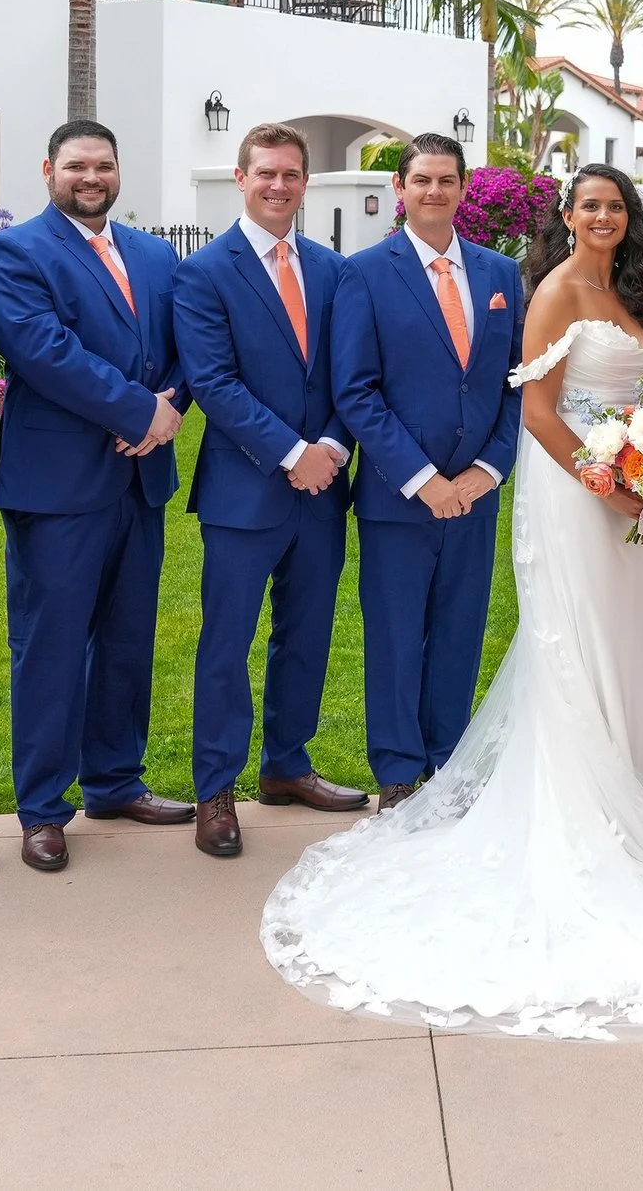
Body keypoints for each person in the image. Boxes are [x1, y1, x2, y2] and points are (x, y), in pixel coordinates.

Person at [261, 166, 643, 1036]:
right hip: (576, 495)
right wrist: (606, 479)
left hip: (636, 494)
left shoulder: (641, 286)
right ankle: (578, 810)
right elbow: (538, 410)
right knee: (575, 636)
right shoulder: (556, 289)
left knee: (620, 638)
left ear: (628, 216)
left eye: (615, 204)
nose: (602, 215)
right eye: (588, 204)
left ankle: (629, 797)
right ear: (567, 215)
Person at [0, 121, 194, 874]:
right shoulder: (15, 252)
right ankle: (43, 806)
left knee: (129, 639)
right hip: (59, 485)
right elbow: (43, 351)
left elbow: (186, 346)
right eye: (77, 165)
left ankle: (115, 779)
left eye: (103, 164)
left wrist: (169, 405)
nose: (91, 176)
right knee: (52, 645)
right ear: (48, 171)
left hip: (140, 479)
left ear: (118, 170)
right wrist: (141, 411)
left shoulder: (155, 253)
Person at [173, 123, 368, 860]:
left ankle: (287, 764)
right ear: (240, 177)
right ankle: (215, 788)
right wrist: (292, 452)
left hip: (322, 488)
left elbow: (351, 374)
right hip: (243, 489)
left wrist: (332, 448)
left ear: (305, 182)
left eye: (291, 174)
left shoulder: (332, 268)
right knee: (227, 641)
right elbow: (214, 383)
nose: (278, 185)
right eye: (266, 173)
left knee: (306, 632)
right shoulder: (203, 273)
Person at [330, 133, 524, 808]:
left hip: (475, 495)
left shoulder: (500, 275)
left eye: (446, 180)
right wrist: (424, 479)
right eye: (422, 181)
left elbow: (515, 382)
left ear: (463, 188)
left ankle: (449, 759)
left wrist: (488, 470)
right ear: (400, 190)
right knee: (394, 634)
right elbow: (356, 389)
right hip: (399, 496)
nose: (434, 191)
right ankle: (396, 770)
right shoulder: (363, 272)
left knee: (460, 630)